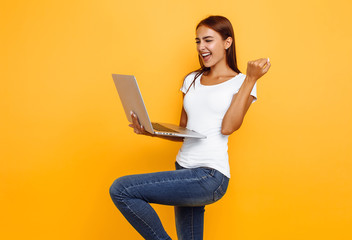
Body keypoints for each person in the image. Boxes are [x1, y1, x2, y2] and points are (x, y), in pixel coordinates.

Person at [109, 15, 271, 240]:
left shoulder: (241, 82)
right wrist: (151, 131)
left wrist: (251, 80)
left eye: (208, 40)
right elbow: (184, 130)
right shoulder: (192, 79)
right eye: (198, 41)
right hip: (183, 168)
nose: (201, 47)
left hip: (209, 176)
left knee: (122, 190)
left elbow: (228, 127)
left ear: (227, 43)